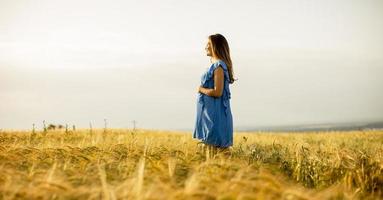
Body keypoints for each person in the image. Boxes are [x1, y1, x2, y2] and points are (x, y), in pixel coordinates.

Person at [193, 33, 237, 158]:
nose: (205, 47)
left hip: (215, 117)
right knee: (211, 154)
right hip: (210, 115)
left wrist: (201, 89)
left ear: (215, 47)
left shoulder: (218, 67)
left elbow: (218, 92)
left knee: (216, 154)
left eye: (208, 44)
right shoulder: (215, 66)